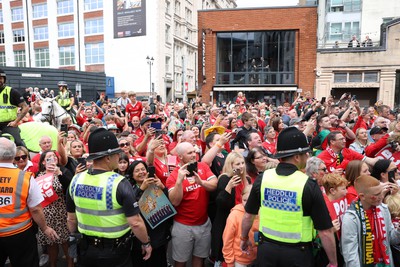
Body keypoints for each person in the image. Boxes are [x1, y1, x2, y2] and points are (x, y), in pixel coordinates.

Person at [240, 127, 338, 267]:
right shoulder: (308, 184)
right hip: (298, 255)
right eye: (306, 153)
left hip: (266, 252)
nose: (308, 157)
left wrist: (243, 238)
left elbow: (248, 215)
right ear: (297, 157)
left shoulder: (263, 179)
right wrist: (333, 262)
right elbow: (325, 231)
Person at [66, 128, 152, 266]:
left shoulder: (76, 180)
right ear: (108, 157)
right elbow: (135, 222)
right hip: (115, 254)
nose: (119, 157)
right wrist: (146, 242)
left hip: (86, 251)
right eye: (117, 154)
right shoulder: (119, 183)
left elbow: (71, 219)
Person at [0, 137, 59, 267]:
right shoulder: (25, 177)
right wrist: (45, 228)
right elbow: (36, 209)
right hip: (20, 234)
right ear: (13, 154)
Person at [166, 142, 217, 267]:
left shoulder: (203, 166)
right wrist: (179, 182)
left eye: (194, 151)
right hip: (183, 226)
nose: (194, 155)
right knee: (180, 261)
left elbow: (214, 184)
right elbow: (175, 201)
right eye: (190, 153)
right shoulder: (173, 176)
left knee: (199, 259)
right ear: (180, 156)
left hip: (204, 224)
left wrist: (202, 182)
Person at [341, 175, 400, 266]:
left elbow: (391, 239)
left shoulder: (383, 209)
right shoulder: (351, 218)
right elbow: (350, 254)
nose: (381, 196)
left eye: (381, 192)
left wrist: (399, 230)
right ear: (362, 196)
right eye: (376, 195)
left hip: (385, 263)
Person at [127, 160, 171, 267]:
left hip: (158, 235)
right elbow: (131, 205)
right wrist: (141, 189)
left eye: (143, 169)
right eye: (137, 171)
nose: (141, 172)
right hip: (141, 237)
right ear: (132, 175)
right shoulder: (129, 188)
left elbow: (169, 203)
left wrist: (163, 187)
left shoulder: (155, 185)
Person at [211, 152, 250, 266]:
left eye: (242, 163)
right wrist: (229, 187)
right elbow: (220, 204)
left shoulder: (246, 178)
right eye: (237, 164)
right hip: (226, 222)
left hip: (243, 221)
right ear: (230, 166)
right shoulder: (224, 179)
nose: (241, 166)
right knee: (225, 253)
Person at [36, 150, 74, 267]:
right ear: (43, 162)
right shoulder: (39, 176)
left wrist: (59, 174)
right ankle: (53, 264)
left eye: (54, 156)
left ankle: (70, 263)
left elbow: (70, 186)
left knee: (65, 242)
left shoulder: (63, 171)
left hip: (62, 213)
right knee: (51, 242)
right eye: (48, 157)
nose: (52, 158)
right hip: (46, 214)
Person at [222, 185, 259, 267]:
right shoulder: (234, 215)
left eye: (251, 200)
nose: (247, 204)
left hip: (256, 258)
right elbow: (227, 240)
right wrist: (230, 262)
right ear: (241, 197)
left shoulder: (261, 213)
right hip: (239, 261)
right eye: (245, 200)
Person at [0, 68, 30, 146]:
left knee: (18, 143)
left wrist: (16, 122)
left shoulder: (12, 92)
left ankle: (25, 157)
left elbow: (25, 107)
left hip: (8, 124)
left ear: (4, 79)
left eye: (0, 78)